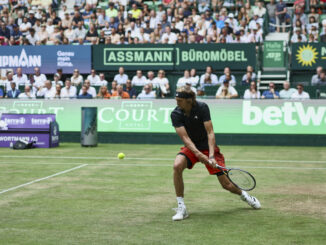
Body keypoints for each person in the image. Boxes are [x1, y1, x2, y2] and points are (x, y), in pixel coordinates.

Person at [170, 86, 261, 221]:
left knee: (227, 185)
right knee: (177, 166)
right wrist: (199, 155)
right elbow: (185, 138)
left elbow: (210, 132)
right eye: (176, 100)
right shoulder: (175, 114)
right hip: (191, 147)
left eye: (180, 100)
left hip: (208, 147)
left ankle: (245, 196)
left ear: (188, 100)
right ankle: (181, 207)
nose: (177, 103)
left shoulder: (202, 107)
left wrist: (211, 156)